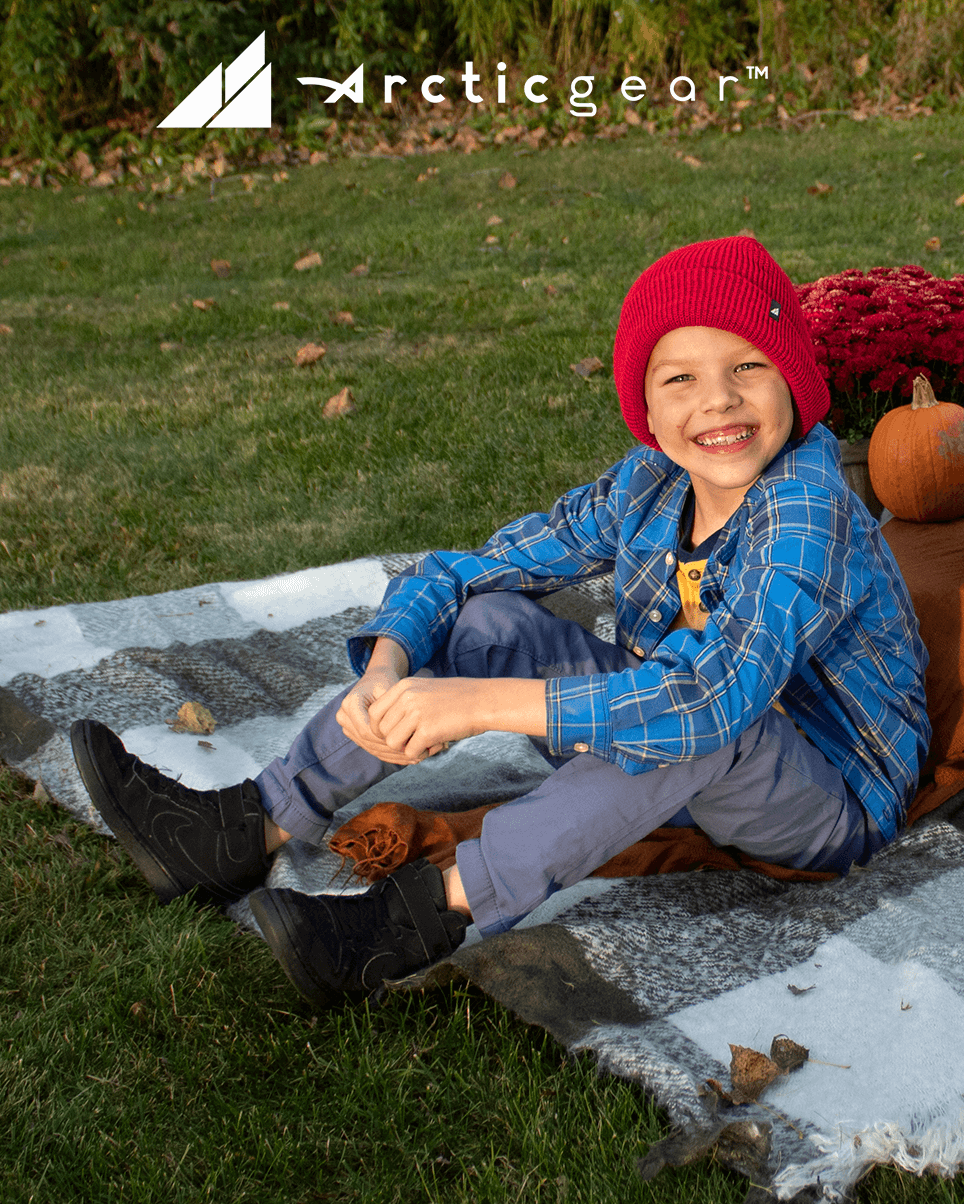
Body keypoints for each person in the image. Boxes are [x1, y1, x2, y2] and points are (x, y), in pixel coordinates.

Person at [70, 235, 930, 1010]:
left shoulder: (807, 509)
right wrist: (389, 664)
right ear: (646, 403)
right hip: (684, 747)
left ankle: (409, 922)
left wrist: (477, 706)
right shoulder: (650, 484)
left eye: (748, 366)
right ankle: (245, 826)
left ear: (793, 378)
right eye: (681, 378)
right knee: (483, 620)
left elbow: (709, 702)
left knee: (686, 725)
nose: (718, 401)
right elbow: (465, 571)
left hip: (820, 802)